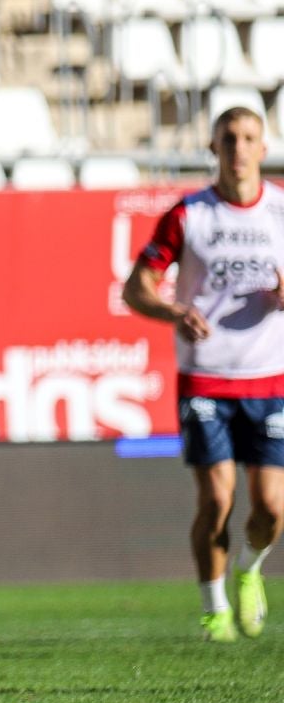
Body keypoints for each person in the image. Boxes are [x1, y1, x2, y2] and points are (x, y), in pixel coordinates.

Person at [125, 105, 280, 642]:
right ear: (213, 148)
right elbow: (136, 287)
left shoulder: (280, 211)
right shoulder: (189, 215)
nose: (239, 149)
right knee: (217, 499)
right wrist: (173, 311)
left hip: (271, 378)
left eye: (249, 138)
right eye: (228, 138)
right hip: (206, 377)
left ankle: (250, 570)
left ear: (264, 148)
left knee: (271, 508)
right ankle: (215, 609)